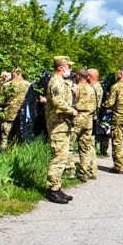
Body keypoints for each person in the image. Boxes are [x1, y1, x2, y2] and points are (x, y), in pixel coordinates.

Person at [44, 56, 77, 204]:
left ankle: (57, 187)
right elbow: (58, 102)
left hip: (64, 125)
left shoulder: (63, 83)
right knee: (58, 157)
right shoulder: (55, 82)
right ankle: (52, 190)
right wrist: (72, 111)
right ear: (61, 68)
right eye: (68, 67)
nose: (70, 69)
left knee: (63, 157)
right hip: (57, 125)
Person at [71, 69, 99, 181]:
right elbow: (95, 105)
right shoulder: (92, 89)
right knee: (85, 148)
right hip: (89, 119)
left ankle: (70, 171)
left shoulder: (76, 88)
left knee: (69, 146)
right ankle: (85, 173)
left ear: (78, 76)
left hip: (78, 117)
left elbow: (71, 102)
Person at [0, 68, 31, 149]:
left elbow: (0, 101)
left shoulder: (6, 85)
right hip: (23, 116)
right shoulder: (28, 85)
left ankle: (2, 156)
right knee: (21, 139)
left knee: (5, 138)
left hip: (8, 115)